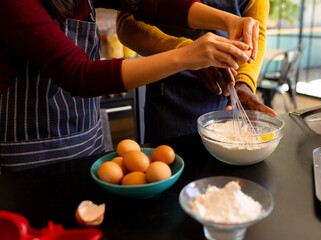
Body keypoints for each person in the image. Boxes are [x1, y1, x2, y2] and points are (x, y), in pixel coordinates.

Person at [0, 0, 259, 173]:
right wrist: (187, 56)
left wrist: (229, 21)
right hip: (26, 152)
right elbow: (78, 74)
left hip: (86, 138)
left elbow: (154, 4)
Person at [116, 0, 275, 143]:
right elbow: (128, 21)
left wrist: (244, 81)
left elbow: (256, 32)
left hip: (227, 94)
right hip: (170, 95)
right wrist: (186, 52)